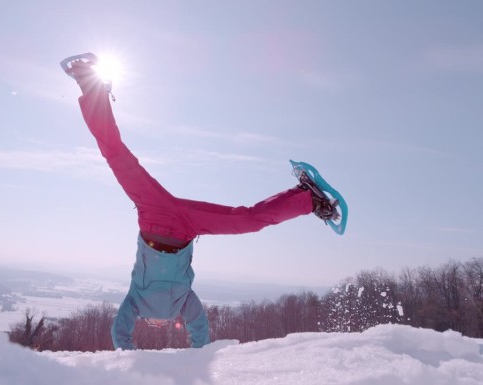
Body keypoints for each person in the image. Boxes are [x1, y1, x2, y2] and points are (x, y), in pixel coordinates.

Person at [64, 57, 339, 350]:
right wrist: (191, 353)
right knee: (117, 156)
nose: (157, 324)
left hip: (162, 218)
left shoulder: (145, 303)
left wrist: (187, 354)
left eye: (153, 324)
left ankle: (309, 199)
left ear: (148, 320)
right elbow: (129, 332)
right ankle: (308, 197)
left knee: (247, 220)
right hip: (172, 222)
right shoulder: (154, 302)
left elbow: (188, 328)